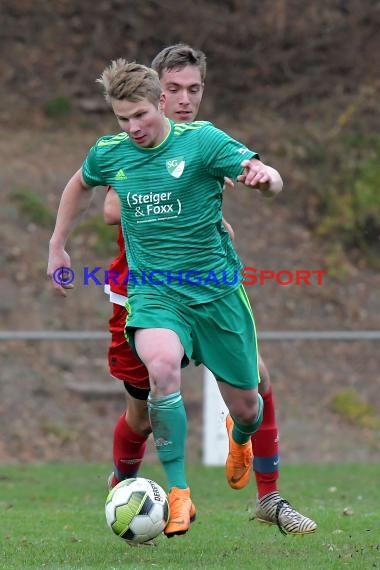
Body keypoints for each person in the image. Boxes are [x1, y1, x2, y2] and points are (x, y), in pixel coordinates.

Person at [47, 58, 283, 537]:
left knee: (248, 406)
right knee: (161, 369)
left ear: (160, 104)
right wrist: (57, 244)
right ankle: (179, 494)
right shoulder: (111, 152)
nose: (132, 128)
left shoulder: (202, 141)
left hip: (216, 295)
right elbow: (81, 184)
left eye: (140, 116)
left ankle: (242, 438)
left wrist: (265, 179)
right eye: (122, 119)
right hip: (155, 293)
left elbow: (263, 171)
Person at [103, 44, 317, 536]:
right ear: (152, 93)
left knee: (256, 383)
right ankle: (126, 492)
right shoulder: (132, 140)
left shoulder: (202, 139)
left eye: (193, 89)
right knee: (140, 415)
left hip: (207, 287)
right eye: (172, 89)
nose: (183, 99)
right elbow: (111, 207)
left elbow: (249, 173)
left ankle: (270, 497)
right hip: (144, 289)